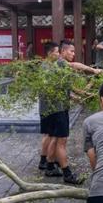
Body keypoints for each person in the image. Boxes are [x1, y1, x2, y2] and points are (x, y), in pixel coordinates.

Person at [44, 39, 101, 184]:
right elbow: (75, 66)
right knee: (61, 142)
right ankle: (67, 174)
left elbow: (66, 90)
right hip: (58, 109)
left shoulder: (53, 66)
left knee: (54, 138)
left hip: (53, 108)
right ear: (62, 52)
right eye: (72, 51)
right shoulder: (61, 62)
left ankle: (50, 166)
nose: (74, 54)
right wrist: (93, 70)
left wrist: (79, 96)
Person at [38, 41, 60, 172]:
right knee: (48, 134)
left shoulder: (52, 65)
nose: (58, 54)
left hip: (49, 106)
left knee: (49, 134)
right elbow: (47, 87)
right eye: (57, 52)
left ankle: (47, 159)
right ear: (50, 53)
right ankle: (43, 160)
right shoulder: (46, 67)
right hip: (48, 107)